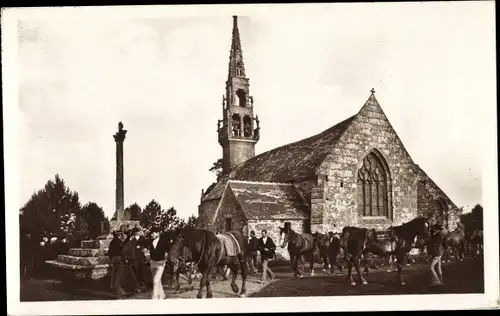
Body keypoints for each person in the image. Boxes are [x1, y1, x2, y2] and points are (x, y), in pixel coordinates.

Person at [148, 227, 169, 299]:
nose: (152, 234)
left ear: (158, 233)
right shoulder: (150, 241)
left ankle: (154, 297)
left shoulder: (164, 241)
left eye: (153, 233)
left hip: (161, 264)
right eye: (151, 233)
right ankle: (162, 295)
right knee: (157, 281)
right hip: (152, 263)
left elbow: (169, 250)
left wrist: (166, 258)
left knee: (155, 280)